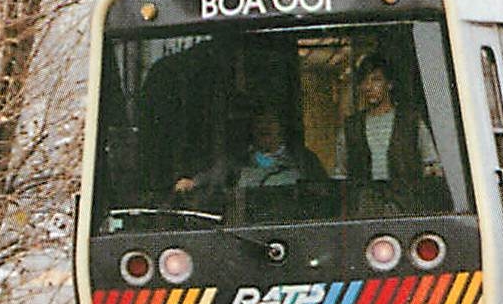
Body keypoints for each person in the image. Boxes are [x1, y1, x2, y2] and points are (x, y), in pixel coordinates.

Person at [337, 53, 440, 188]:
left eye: (376, 80)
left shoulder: (410, 122)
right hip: (365, 200)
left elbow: (432, 166)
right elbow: (341, 174)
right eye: (364, 81)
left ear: (389, 84)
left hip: (406, 199)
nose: (369, 87)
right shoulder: (351, 127)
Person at [175, 109, 325, 198]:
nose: (264, 127)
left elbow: (323, 190)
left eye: (270, 122)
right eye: (259, 123)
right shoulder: (236, 162)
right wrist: (192, 183)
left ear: (281, 127)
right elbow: (211, 178)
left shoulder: (304, 159)